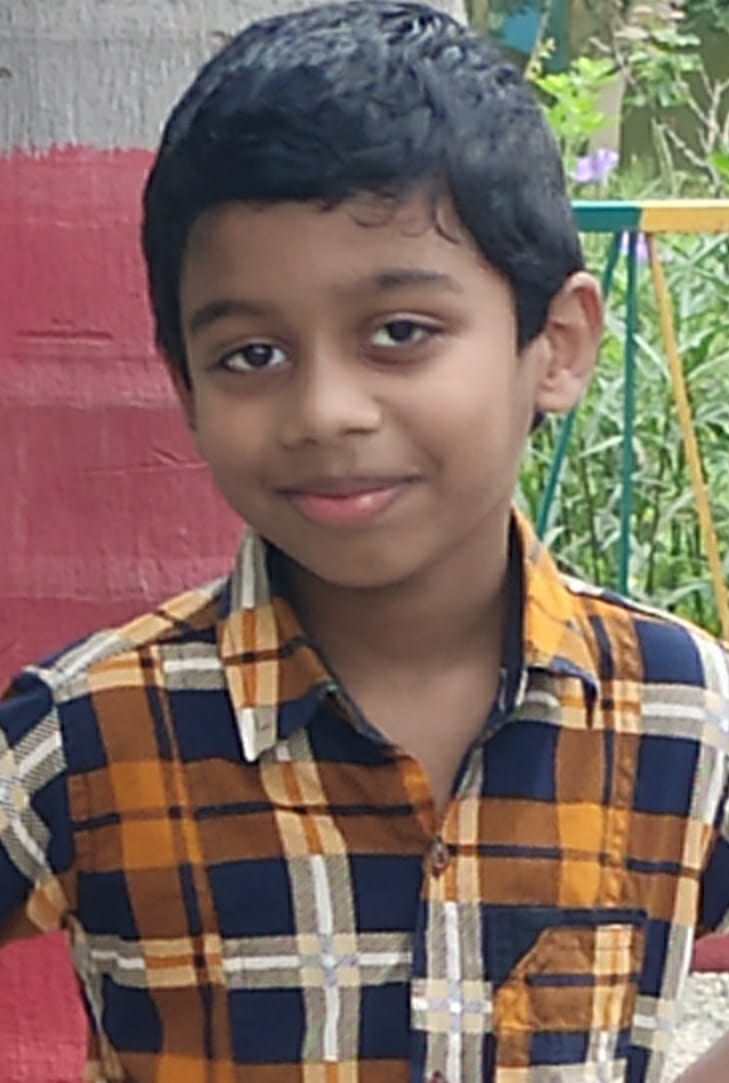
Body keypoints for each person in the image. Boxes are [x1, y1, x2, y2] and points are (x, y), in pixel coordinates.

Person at [1, 3, 727, 1080]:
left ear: (557, 346)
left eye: (399, 333)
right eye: (252, 354)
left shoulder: (683, 710)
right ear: (186, 388)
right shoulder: (86, 730)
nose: (325, 411)